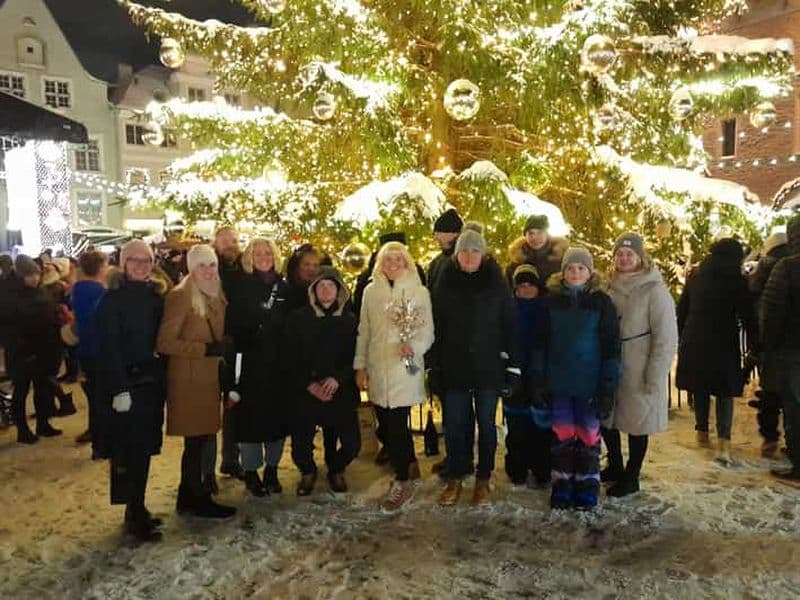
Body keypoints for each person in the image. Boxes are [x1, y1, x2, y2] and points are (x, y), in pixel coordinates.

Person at [431, 230, 519, 506]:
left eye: (475, 251)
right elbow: (435, 328)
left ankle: (484, 477)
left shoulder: (497, 283)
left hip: (487, 367)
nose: (469, 256)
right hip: (454, 366)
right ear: (457, 255)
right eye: (464, 251)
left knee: (486, 425)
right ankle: (456, 476)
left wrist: (513, 367)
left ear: (483, 255)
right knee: (456, 425)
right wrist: (433, 367)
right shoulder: (444, 283)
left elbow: (510, 326)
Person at [530, 247, 621, 510]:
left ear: (590, 272)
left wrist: (607, 386)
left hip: (589, 384)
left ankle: (587, 483)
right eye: (570, 268)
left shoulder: (601, 302)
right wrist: (538, 380)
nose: (575, 273)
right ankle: (562, 483)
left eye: (581, 268)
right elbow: (540, 345)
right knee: (562, 436)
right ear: (563, 272)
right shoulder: (550, 302)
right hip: (558, 383)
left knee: (589, 436)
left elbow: (611, 346)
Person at [95, 240, 167, 542]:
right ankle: (132, 511)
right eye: (134, 260)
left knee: (146, 448)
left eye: (146, 259)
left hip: (151, 385)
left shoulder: (155, 295)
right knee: (129, 451)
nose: (140, 264)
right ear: (123, 263)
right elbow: (108, 347)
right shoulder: (112, 300)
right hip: (128, 385)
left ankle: (137, 506)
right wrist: (119, 388)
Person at [157, 244, 236, 519]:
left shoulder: (215, 290)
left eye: (211, 264)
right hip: (189, 380)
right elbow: (165, 341)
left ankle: (188, 494)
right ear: (191, 267)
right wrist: (204, 349)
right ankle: (195, 496)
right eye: (201, 265)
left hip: (209, 378)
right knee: (195, 441)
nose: (207, 269)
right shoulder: (181, 295)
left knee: (202, 439)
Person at [354, 241, 434, 511]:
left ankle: (402, 480)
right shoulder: (370, 292)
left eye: (398, 260)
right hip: (378, 368)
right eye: (387, 260)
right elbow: (364, 330)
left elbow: (427, 332)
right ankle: (409, 465)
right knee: (387, 425)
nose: (392, 265)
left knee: (397, 424)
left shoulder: (418, 291)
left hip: (405, 366)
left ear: (406, 263)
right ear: (379, 263)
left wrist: (415, 347)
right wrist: (360, 365)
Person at [601, 233, 677, 497]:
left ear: (640, 257)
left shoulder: (654, 289)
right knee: (607, 420)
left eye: (629, 254)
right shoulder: (607, 286)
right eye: (619, 254)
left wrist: (655, 373)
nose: (624, 258)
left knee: (637, 424)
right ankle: (615, 465)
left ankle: (631, 476)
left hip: (639, 366)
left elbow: (666, 337)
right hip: (611, 365)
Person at [676, 238, 756, 466]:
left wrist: (682, 335)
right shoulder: (737, 280)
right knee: (724, 391)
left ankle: (701, 432)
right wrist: (754, 342)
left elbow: (683, 309)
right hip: (723, 339)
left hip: (695, 338)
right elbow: (747, 314)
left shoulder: (696, 276)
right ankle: (723, 442)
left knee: (701, 385)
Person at [286, 267, 361, 495]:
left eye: (331, 285)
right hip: (307, 389)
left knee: (352, 444)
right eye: (321, 286)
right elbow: (290, 357)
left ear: (339, 290)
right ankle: (308, 471)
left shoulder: (350, 320)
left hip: (340, 389)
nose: (326, 290)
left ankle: (336, 469)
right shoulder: (298, 319)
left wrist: (338, 378)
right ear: (313, 290)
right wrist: (310, 384)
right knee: (300, 443)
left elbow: (357, 355)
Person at [225, 238, 290, 496]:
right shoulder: (239, 287)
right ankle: (251, 471)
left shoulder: (284, 288)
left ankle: (272, 470)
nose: (264, 257)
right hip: (249, 362)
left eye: (268, 252)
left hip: (278, 364)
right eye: (258, 253)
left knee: (277, 420)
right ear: (249, 257)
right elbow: (232, 327)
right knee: (249, 421)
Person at [5, 255, 63, 443]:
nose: (34, 278)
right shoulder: (9, 295)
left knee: (43, 388)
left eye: (36, 275)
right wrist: (22, 347)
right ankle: (22, 429)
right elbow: (8, 326)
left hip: (43, 349)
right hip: (22, 351)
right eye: (29, 275)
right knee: (21, 391)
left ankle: (43, 423)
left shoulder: (40, 292)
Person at [760, 215, 800, 481]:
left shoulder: (787, 268)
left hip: (791, 350)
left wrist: (765, 347)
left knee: (795, 407)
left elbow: (771, 312)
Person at [504, 264, 550, 487]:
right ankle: (517, 467)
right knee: (516, 427)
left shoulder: (547, 309)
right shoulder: (508, 310)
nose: (526, 289)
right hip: (515, 375)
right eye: (521, 285)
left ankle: (542, 467)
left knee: (541, 427)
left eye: (530, 284)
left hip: (540, 376)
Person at [425, 209, 464, 475]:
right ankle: (453, 455)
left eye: (442, 231)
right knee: (448, 403)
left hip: (458, 341)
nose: (438, 236)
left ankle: (460, 458)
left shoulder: (463, 261)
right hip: (439, 340)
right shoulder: (437, 263)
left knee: (458, 406)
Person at [748, 231, 790, 457]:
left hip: (772, 340)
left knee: (771, 393)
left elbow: (756, 297)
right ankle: (793, 442)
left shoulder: (766, 267)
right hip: (792, 339)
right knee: (793, 396)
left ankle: (770, 438)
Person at [214, 226, 244, 481]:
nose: (230, 245)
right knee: (210, 406)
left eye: (233, 240)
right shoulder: (210, 269)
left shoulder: (244, 268)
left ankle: (231, 458)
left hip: (238, 345)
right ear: (216, 244)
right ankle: (208, 467)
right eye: (225, 242)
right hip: (214, 345)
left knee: (234, 401)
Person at [72, 250, 109, 448]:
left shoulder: (77, 289)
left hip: (85, 349)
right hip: (101, 350)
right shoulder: (101, 293)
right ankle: (100, 438)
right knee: (101, 396)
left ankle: (95, 431)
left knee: (94, 395)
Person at [505, 215, 568, 287]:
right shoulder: (515, 265)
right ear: (525, 236)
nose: (535, 238)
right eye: (530, 233)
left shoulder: (562, 261)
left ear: (547, 234)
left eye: (540, 232)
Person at [285, 243, 323, 313]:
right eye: (306, 264)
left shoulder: (325, 291)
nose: (311, 269)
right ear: (297, 267)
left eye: (315, 265)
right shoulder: (285, 293)